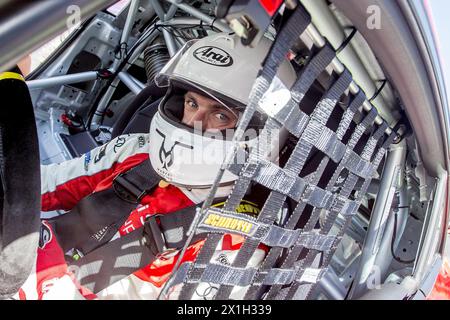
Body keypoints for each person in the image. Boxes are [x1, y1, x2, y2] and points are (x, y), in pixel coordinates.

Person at [14, 32, 296, 300]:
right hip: (19, 258)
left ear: (262, 133)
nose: (191, 122)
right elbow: (41, 186)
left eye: (221, 115)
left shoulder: (237, 243)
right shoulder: (137, 149)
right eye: (190, 102)